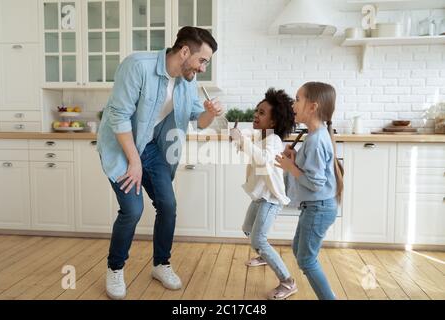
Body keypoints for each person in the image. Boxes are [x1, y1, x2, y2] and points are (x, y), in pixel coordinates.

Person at [97, 26, 222, 300]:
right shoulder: (137, 66)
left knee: (168, 205)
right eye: (202, 60)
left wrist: (209, 114)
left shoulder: (185, 82)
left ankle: (161, 264)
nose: (202, 68)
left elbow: (196, 120)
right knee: (132, 209)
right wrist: (134, 161)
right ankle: (115, 268)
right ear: (185, 51)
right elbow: (118, 117)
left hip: (151, 148)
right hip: (121, 146)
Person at [275, 82, 344, 300]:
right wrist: (295, 161)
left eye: (297, 99)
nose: (293, 104)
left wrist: (290, 167)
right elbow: (314, 170)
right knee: (299, 250)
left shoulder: (315, 140)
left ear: (312, 107)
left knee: (306, 259)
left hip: (318, 207)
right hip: (316, 206)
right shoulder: (315, 135)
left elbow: (315, 183)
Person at [230, 88, 298, 300]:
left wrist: (243, 141)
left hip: (271, 199)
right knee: (248, 229)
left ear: (273, 122)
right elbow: (255, 154)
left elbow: (262, 159)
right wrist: (239, 142)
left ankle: (288, 281)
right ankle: (263, 255)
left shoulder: (274, 140)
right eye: (256, 111)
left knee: (258, 239)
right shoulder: (263, 138)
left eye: (261, 113)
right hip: (261, 196)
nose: (255, 116)